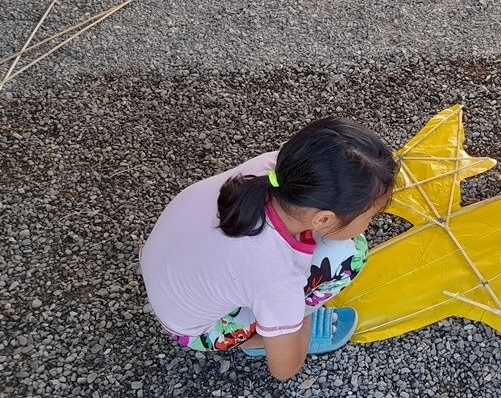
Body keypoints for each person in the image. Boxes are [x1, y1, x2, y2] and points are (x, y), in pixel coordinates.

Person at [140, 117, 397, 381]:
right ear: (323, 219)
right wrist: (299, 318)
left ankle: (278, 326)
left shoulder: (273, 170)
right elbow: (285, 371)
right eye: (370, 216)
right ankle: (263, 338)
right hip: (192, 329)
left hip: (163, 270)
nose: (368, 224)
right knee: (348, 255)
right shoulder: (278, 278)